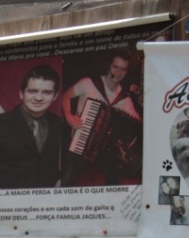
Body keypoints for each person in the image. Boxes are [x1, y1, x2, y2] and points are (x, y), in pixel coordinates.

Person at [0, 65, 69, 190]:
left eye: (47, 92)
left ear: (55, 96)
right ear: (21, 93)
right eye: (32, 91)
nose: (38, 98)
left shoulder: (60, 124)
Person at [61, 51, 143, 187]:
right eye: (115, 67)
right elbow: (66, 96)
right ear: (108, 66)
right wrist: (69, 116)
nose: (118, 72)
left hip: (105, 151)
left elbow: (137, 124)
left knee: (114, 183)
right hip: (81, 142)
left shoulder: (124, 98)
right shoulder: (89, 83)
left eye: (123, 69)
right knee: (67, 181)